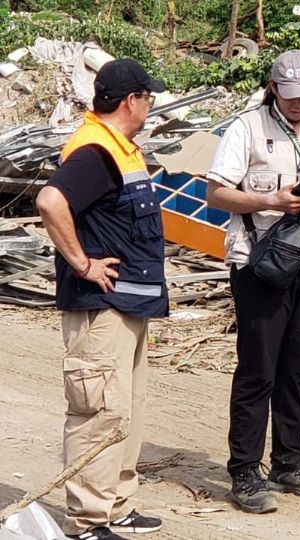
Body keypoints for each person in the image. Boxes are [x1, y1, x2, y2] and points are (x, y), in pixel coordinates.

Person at [205, 49, 300, 514]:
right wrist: (270, 198)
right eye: (292, 96)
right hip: (260, 262)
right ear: (273, 88)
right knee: (258, 368)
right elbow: (215, 193)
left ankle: (289, 462)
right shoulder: (246, 128)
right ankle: (244, 471)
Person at [36, 59, 168, 540]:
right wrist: (82, 263)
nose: (150, 106)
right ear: (131, 100)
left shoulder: (121, 149)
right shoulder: (95, 152)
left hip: (127, 306)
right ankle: (88, 521)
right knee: (99, 413)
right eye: (147, 98)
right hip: (100, 308)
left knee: (124, 410)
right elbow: (51, 202)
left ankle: (116, 505)